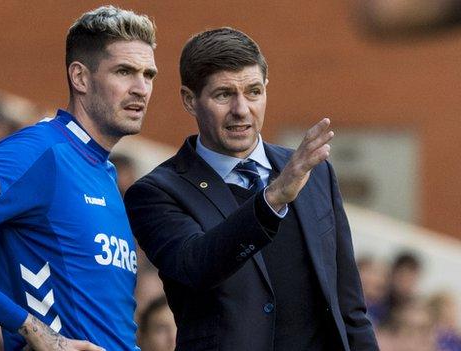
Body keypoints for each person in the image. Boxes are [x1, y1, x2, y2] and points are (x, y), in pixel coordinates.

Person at [0, 5, 157, 351]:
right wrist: (30, 327)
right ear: (80, 77)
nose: (141, 88)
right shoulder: (39, 151)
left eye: (149, 75)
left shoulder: (106, 173)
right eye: (125, 71)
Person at [124, 28, 378, 350]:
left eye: (253, 92)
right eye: (223, 95)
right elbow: (195, 265)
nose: (241, 109)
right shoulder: (157, 192)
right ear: (190, 100)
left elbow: (349, 307)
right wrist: (273, 199)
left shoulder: (313, 171)